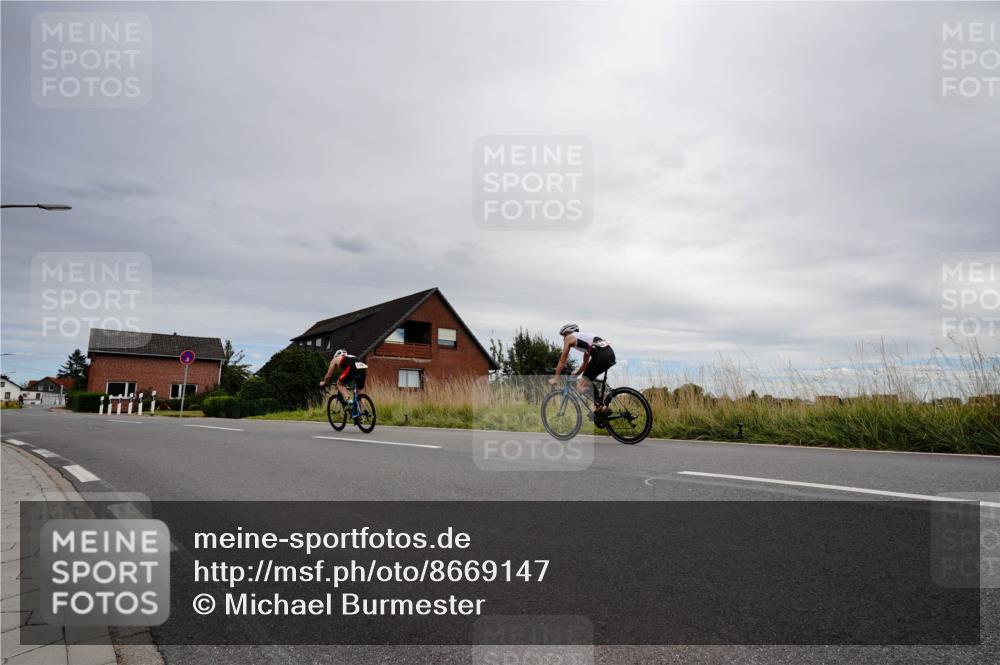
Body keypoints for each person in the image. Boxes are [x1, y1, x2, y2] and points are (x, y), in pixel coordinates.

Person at [549, 323, 616, 413]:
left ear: (568, 332)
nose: (563, 338)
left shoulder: (569, 337)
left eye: (563, 335)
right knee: (587, 381)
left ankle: (601, 407)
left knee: (580, 386)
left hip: (599, 355)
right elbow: (585, 363)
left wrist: (556, 378)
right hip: (610, 355)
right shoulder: (586, 338)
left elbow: (562, 360)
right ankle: (600, 408)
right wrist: (576, 374)